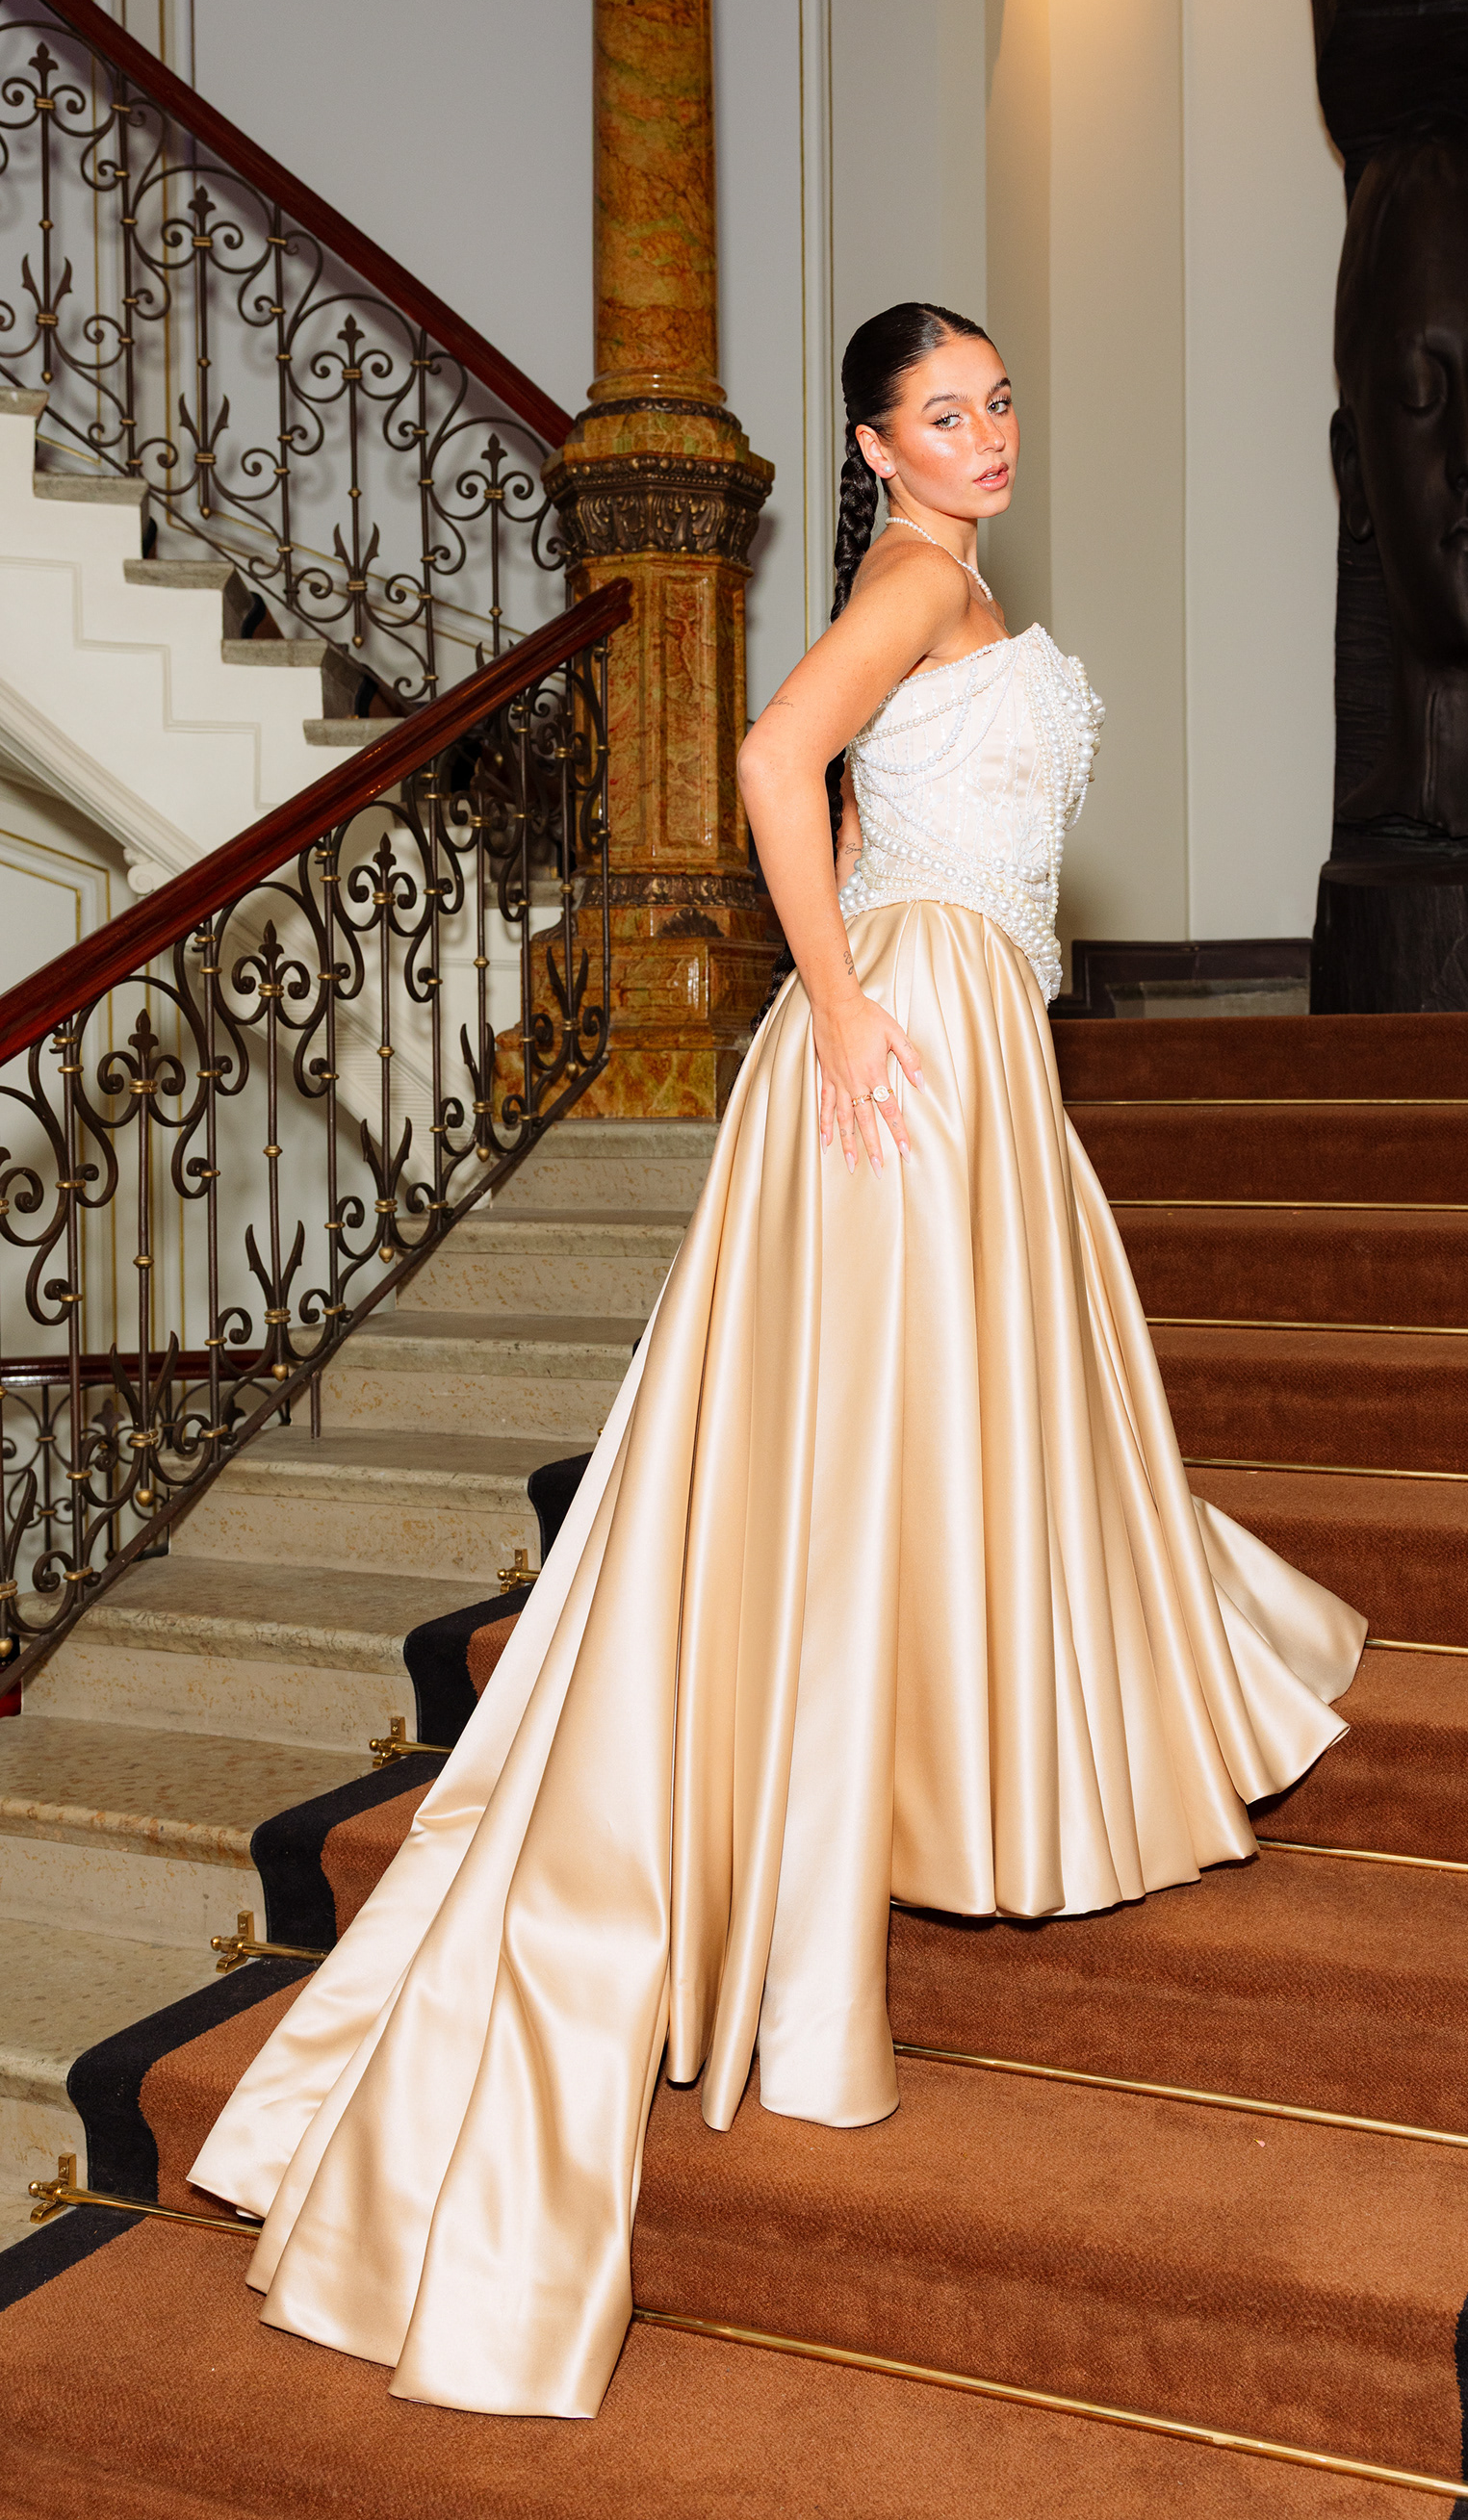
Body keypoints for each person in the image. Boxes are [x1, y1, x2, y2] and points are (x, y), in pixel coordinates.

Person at [191, 300, 1366, 2419]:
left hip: (964, 1027)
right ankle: (841, 1857)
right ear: (876, 443)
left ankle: (956, 1761)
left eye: (999, 400)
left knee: (923, 1443)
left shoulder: (946, 574)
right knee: (874, 1459)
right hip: (907, 1030)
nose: (988, 433)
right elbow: (764, 762)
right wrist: (834, 1001)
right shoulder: (911, 577)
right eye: (945, 412)